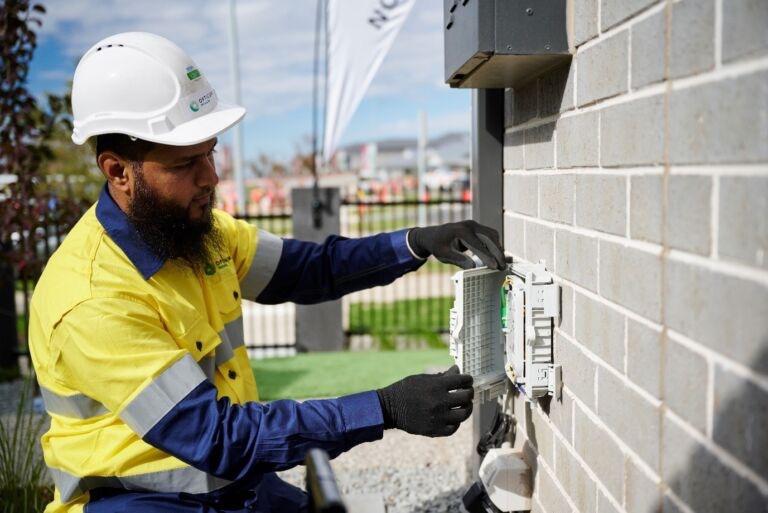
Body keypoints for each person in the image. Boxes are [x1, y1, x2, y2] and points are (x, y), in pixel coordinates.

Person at [28, 32, 507, 513]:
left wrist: (414, 242)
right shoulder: (92, 298)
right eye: (186, 162)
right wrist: (384, 407)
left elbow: (311, 269)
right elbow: (218, 436)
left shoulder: (200, 232)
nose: (210, 177)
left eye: (210, 152)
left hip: (232, 486)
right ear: (118, 172)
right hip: (136, 503)